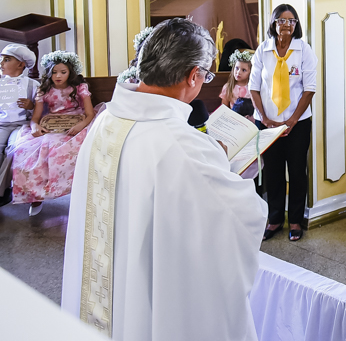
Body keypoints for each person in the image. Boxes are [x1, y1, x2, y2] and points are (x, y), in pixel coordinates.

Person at [61, 18, 266, 341]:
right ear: (192, 76)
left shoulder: (106, 122)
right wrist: (222, 168)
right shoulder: (181, 146)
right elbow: (243, 217)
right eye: (206, 76)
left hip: (109, 294)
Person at [249, 3, 318, 242]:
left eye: (291, 21)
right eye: (281, 20)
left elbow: (309, 90)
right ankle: (275, 218)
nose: (286, 25)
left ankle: (296, 219)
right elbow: (254, 88)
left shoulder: (303, 51)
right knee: (274, 171)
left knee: (297, 171)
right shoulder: (263, 50)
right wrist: (265, 119)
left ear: (296, 25)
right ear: (273, 23)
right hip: (267, 123)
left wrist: (292, 120)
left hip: (297, 123)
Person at [9, 51, 95, 214]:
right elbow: (35, 118)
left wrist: (80, 126)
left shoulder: (79, 87)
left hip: (77, 123)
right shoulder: (44, 89)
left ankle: (69, 192)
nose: (58, 75)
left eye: (63, 72)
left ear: (70, 72)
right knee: (28, 149)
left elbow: (90, 114)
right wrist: (35, 127)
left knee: (60, 147)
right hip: (52, 123)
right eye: (54, 72)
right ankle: (36, 196)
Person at [0, 44, 39, 204]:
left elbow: (42, 110)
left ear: (21, 64)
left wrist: (31, 106)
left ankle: (2, 190)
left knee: (13, 149)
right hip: (1, 124)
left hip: (22, 125)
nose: (1, 63)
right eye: (1, 59)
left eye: (7, 59)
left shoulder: (32, 85)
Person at [221, 49, 255, 116]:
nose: (238, 72)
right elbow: (224, 108)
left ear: (251, 72)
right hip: (233, 118)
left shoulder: (253, 87)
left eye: (244, 70)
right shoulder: (228, 87)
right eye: (237, 68)